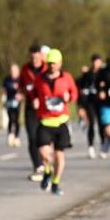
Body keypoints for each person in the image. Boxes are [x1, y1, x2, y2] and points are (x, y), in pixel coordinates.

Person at [33, 49, 78, 196]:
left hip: (61, 122)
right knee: (45, 154)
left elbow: (74, 94)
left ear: (60, 63)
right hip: (45, 121)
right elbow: (33, 92)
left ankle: (56, 182)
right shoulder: (39, 79)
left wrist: (68, 97)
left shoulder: (66, 78)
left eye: (54, 63)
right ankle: (47, 171)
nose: (52, 66)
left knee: (59, 156)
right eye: (50, 63)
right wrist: (34, 100)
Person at [19, 44, 48, 181]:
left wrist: (40, 99)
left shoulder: (46, 68)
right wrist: (21, 93)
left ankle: (46, 161)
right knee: (32, 137)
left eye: (37, 58)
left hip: (44, 108)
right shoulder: (25, 69)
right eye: (32, 58)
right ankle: (38, 165)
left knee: (43, 137)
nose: (35, 60)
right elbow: (21, 85)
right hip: (30, 108)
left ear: (41, 56)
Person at [76, 54, 104, 159]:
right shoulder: (88, 73)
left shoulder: (104, 73)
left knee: (102, 124)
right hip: (90, 102)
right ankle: (91, 147)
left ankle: (103, 145)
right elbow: (79, 85)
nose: (96, 64)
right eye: (94, 61)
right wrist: (80, 104)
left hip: (101, 103)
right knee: (91, 123)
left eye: (98, 61)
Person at [2, 64, 23, 147]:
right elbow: (4, 90)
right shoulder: (7, 80)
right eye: (12, 71)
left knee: (16, 119)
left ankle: (16, 137)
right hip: (9, 101)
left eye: (14, 71)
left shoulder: (20, 80)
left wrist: (20, 95)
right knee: (11, 118)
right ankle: (10, 135)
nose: (13, 72)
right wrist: (3, 100)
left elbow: (23, 90)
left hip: (17, 102)